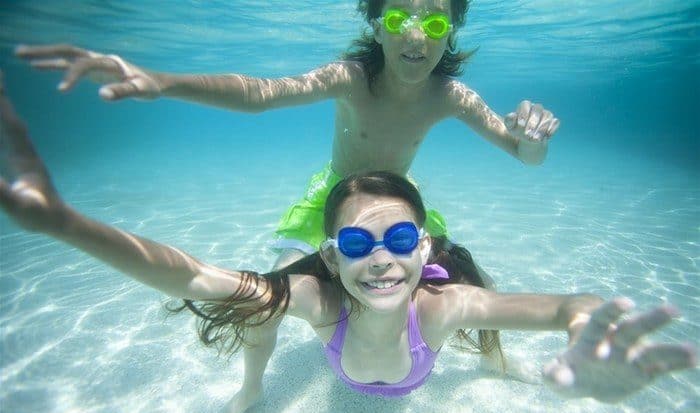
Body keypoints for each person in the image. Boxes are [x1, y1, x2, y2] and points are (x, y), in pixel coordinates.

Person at [0, 79, 694, 413]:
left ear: (425, 251)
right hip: (305, 281)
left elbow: (573, 303)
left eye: (398, 239)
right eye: (358, 242)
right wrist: (67, 223)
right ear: (333, 256)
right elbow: (196, 278)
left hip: (418, 282)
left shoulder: (446, 306)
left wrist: (587, 335)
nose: (381, 257)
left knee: (488, 333)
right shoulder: (320, 295)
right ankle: (249, 389)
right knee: (261, 304)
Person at [15, 0, 559, 404]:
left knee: (474, 285)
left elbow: (523, 154)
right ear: (376, 23)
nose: (416, 34)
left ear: (451, 31)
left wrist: (532, 142)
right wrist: (164, 82)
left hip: (396, 209)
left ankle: (498, 361)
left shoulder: (450, 96)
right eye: (398, 18)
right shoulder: (351, 78)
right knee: (262, 299)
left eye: (435, 21)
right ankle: (252, 389)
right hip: (332, 202)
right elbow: (261, 93)